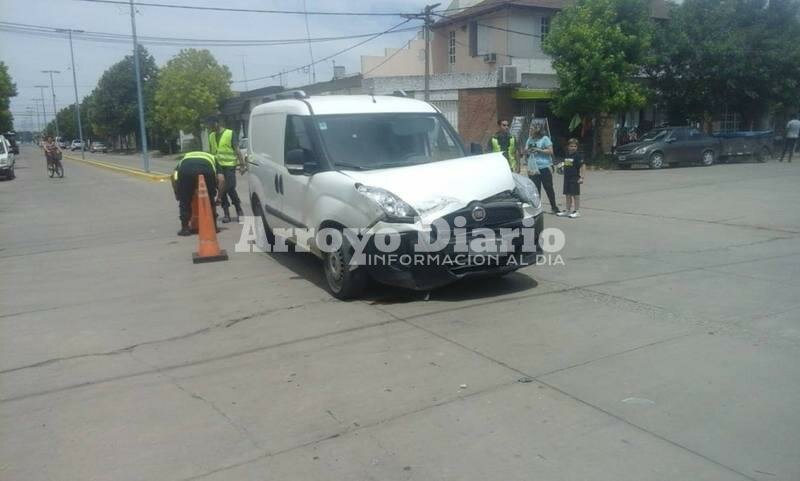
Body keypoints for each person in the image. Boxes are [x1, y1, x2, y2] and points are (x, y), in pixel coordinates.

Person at [172, 151, 224, 236]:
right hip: (207, 171)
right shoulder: (212, 157)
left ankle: (185, 228)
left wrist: (177, 193)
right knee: (210, 199)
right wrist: (218, 197)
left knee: (185, 201)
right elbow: (221, 179)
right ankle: (213, 227)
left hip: (186, 171)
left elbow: (173, 176)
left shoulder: (185, 157)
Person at [208, 117, 244, 223]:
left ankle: (239, 209)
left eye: (211, 125)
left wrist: (242, 164)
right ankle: (226, 213)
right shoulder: (211, 136)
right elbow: (211, 152)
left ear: (217, 123)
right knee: (221, 189)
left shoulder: (230, 133)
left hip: (229, 165)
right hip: (218, 165)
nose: (210, 128)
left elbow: (237, 149)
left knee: (230, 187)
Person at [524, 123, 561, 214]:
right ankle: (537, 208)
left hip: (544, 166)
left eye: (532, 128)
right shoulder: (530, 139)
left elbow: (550, 151)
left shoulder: (545, 139)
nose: (531, 130)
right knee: (535, 189)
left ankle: (554, 207)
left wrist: (538, 150)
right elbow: (525, 150)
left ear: (538, 129)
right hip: (533, 167)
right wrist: (528, 150)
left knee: (548, 187)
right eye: (530, 128)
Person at [555, 138, 585, 219]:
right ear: (568, 147)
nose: (573, 148)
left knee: (575, 195)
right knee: (567, 195)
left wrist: (582, 177)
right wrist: (561, 166)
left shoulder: (578, 156)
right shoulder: (567, 155)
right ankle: (568, 210)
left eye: (575, 146)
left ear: (577, 147)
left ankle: (576, 211)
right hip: (567, 178)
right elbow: (567, 164)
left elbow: (582, 166)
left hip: (575, 178)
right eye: (571, 146)